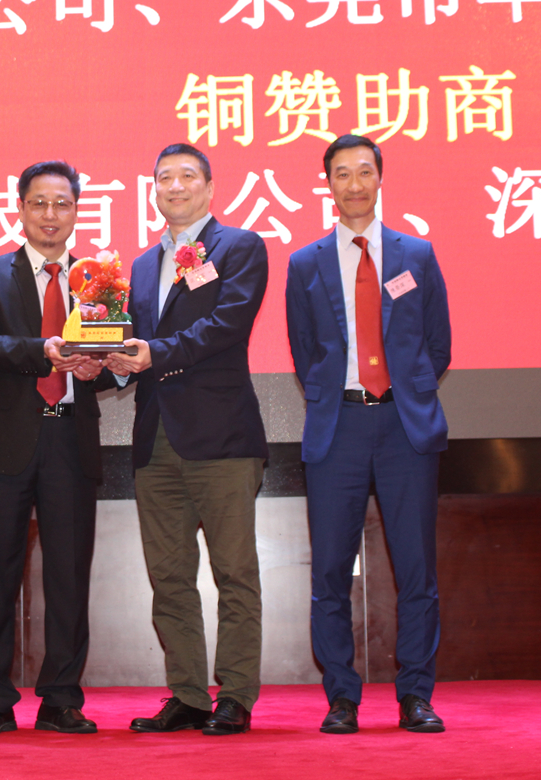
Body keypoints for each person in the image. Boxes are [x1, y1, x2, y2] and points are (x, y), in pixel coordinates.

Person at [285, 134, 451, 734]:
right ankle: (342, 697)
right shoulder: (305, 263)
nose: (353, 184)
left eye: (363, 172)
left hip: (406, 427)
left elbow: (438, 343)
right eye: (341, 174)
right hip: (340, 428)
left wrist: (406, 390)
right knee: (330, 570)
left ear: (380, 178)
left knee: (416, 569)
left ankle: (416, 695)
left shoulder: (417, 254)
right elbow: (306, 351)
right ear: (327, 183)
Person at [106, 144, 268, 735]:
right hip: (155, 440)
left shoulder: (240, 247)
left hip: (222, 438)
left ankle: (237, 694)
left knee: (234, 573)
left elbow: (227, 325)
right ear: (153, 190)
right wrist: (107, 364)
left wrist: (153, 354)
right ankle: (189, 694)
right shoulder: (141, 265)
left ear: (209, 187)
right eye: (164, 178)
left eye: (187, 176)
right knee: (169, 576)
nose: (175, 186)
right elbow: (133, 341)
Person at [0, 161, 112, 736]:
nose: (51, 214)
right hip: (5, 440)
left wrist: (104, 368)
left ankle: (61, 698)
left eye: (62, 204)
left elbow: (112, 354)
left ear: (76, 212)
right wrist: (41, 350)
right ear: (20, 208)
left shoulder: (98, 281)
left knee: (69, 575)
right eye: (40, 203)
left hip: (71, 437)